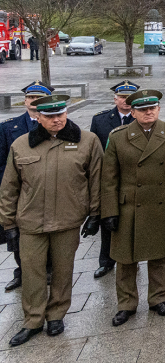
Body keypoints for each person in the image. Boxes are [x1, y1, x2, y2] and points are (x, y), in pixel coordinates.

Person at [0, 94, 103, 346]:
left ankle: (56, 315)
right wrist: (8, 224)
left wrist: (94, 214)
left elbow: (97, 181)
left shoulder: (87, 141)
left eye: (60, 114)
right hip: (30, 222)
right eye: (50, 116)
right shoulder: (21, 145)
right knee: (32, 272)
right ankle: (33, 320)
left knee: (62, 271)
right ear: (38, 117)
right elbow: (9, 188)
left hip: (67, 220)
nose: (57, 120)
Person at [101, 90, 165, 326]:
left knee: (159, 256)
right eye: (142, 109)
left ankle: (158, 298)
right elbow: (109, 178)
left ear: (159, 109)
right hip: (128, 206)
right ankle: (126, 304)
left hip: (160, 202)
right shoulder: (118, 136)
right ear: (132, 112)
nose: (148, 112)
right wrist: (109, 210)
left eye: (152, 108)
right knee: (125, 259)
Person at [0, 82, 52, 292]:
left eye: (39, 98)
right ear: (25, 101)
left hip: (47, 189)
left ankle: (48, 269)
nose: (34, 102)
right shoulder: (8, 127)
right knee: (18, 235)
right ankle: (21, 271)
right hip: (20, 192)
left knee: (48, 231)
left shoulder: (55, 123)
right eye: (31, 98)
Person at [89, 79, 140, 280]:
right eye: (122, 97)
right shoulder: (100, 120)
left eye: (129, 97)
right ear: (115, 99)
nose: (126, 101)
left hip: (135, 178)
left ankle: (133, 258)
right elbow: (95, 151)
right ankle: (106, 261)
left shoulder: (142, 119)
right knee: (108, 221)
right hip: (109, 179)